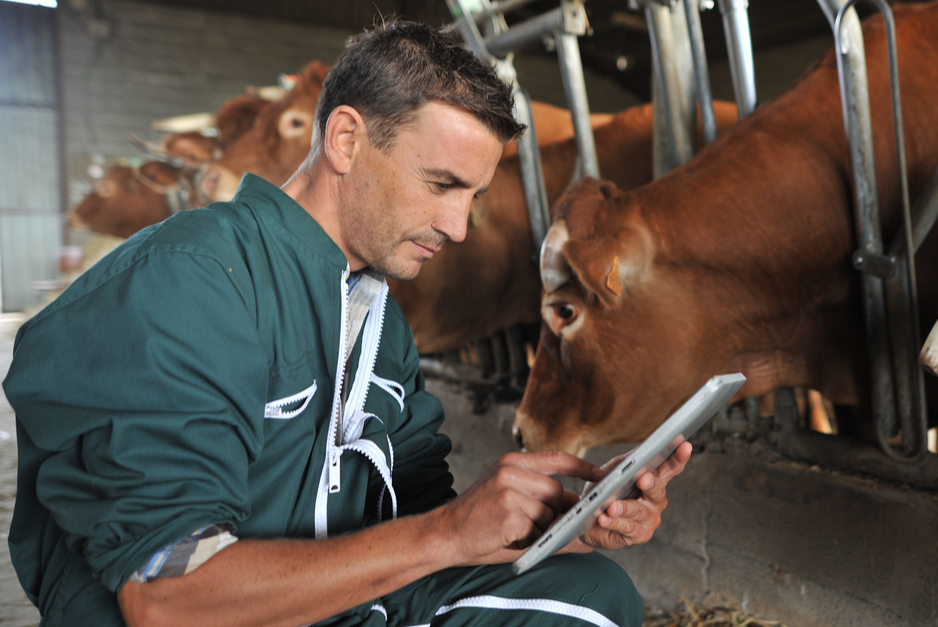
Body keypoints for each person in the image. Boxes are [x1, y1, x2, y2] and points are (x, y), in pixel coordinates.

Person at [3, 20, 691, 627]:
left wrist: (572, 523)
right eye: (442, 184)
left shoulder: (372, 310)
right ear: (346, 139)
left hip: (340, 602)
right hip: (215, 612)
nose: (456, 226)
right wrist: (448, 533)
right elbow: (167, 599)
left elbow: (419, 517)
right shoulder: (184, 283)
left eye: (473, 197)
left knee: (584, 593)